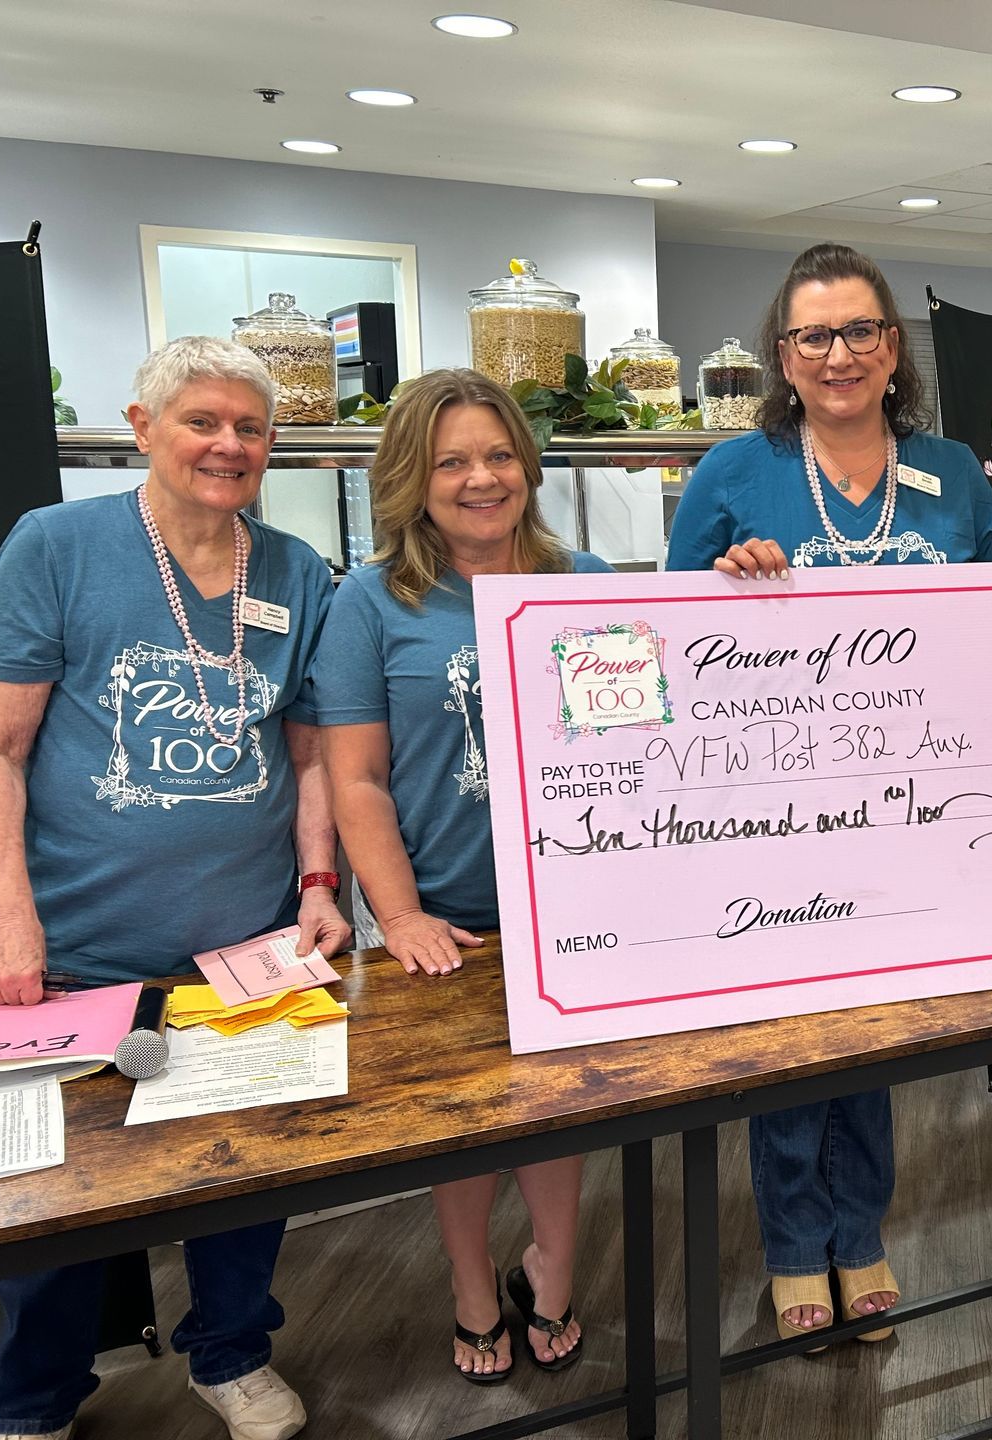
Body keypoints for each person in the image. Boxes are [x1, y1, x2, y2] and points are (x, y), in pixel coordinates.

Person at [0, 336, 350, 1440]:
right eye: (202, 421)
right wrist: (10, 915)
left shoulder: (293, 569)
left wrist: (322, 883)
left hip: (247, 948)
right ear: (143, 426)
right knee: (55, 1213)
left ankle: (228, 1357)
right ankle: (29, 1400)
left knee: (245, 1182)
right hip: (75, 951)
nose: (229, 445)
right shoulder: (58, 547)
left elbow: (311, 746)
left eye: (251, 428)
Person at [665, 242, 992, 1344]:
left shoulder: (954, 472)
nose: (840, 354)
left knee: (879, 1036)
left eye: (861, 331)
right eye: (815, 335)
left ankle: (863, 1233)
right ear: (783, 354)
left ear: (895, 347)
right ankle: (796, 1244)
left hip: (921, 810)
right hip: (778, 817)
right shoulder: (732, 473)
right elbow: (673, 646)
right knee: (793, 1040)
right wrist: (729, 589)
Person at [312, 368, 611, 1382]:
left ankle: (553, 1267)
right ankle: (473, 1285)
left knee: (562, 1108)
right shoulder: (371, 601)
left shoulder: (589, 580)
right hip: (446, 915)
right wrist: (399, 916)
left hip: (573, 908)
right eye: (452, 463)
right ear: (413, 479)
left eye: (497, 455)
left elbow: (639, 747)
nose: (481, 478)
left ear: (526, 462)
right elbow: (355, 779)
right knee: (467, 1123)